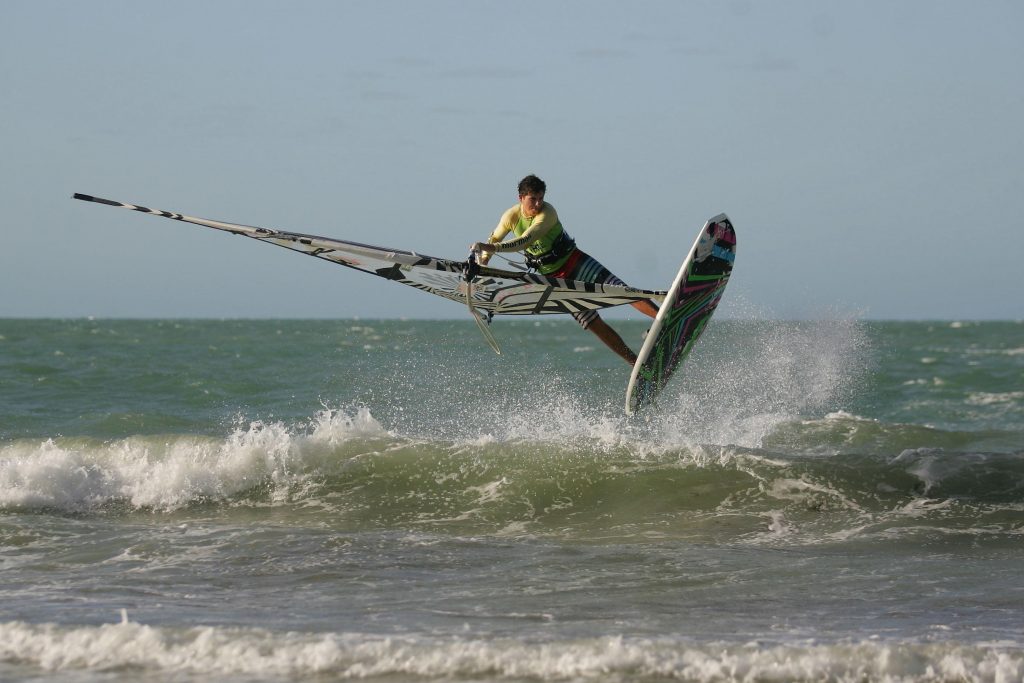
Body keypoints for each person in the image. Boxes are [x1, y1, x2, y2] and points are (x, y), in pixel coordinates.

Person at [472, 174, 660, 365]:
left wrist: (492, 249)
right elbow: (494, 239)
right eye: (533, 199)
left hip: (576, 262)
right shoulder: (510, 217)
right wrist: (483, 262)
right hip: (556, 281)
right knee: (593, 323)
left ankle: (662, 321)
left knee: (621, 291)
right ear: (521, 198)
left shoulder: (548, 213)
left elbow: (526, 240)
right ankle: (638, 365)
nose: (538, 204)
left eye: (540, 198)